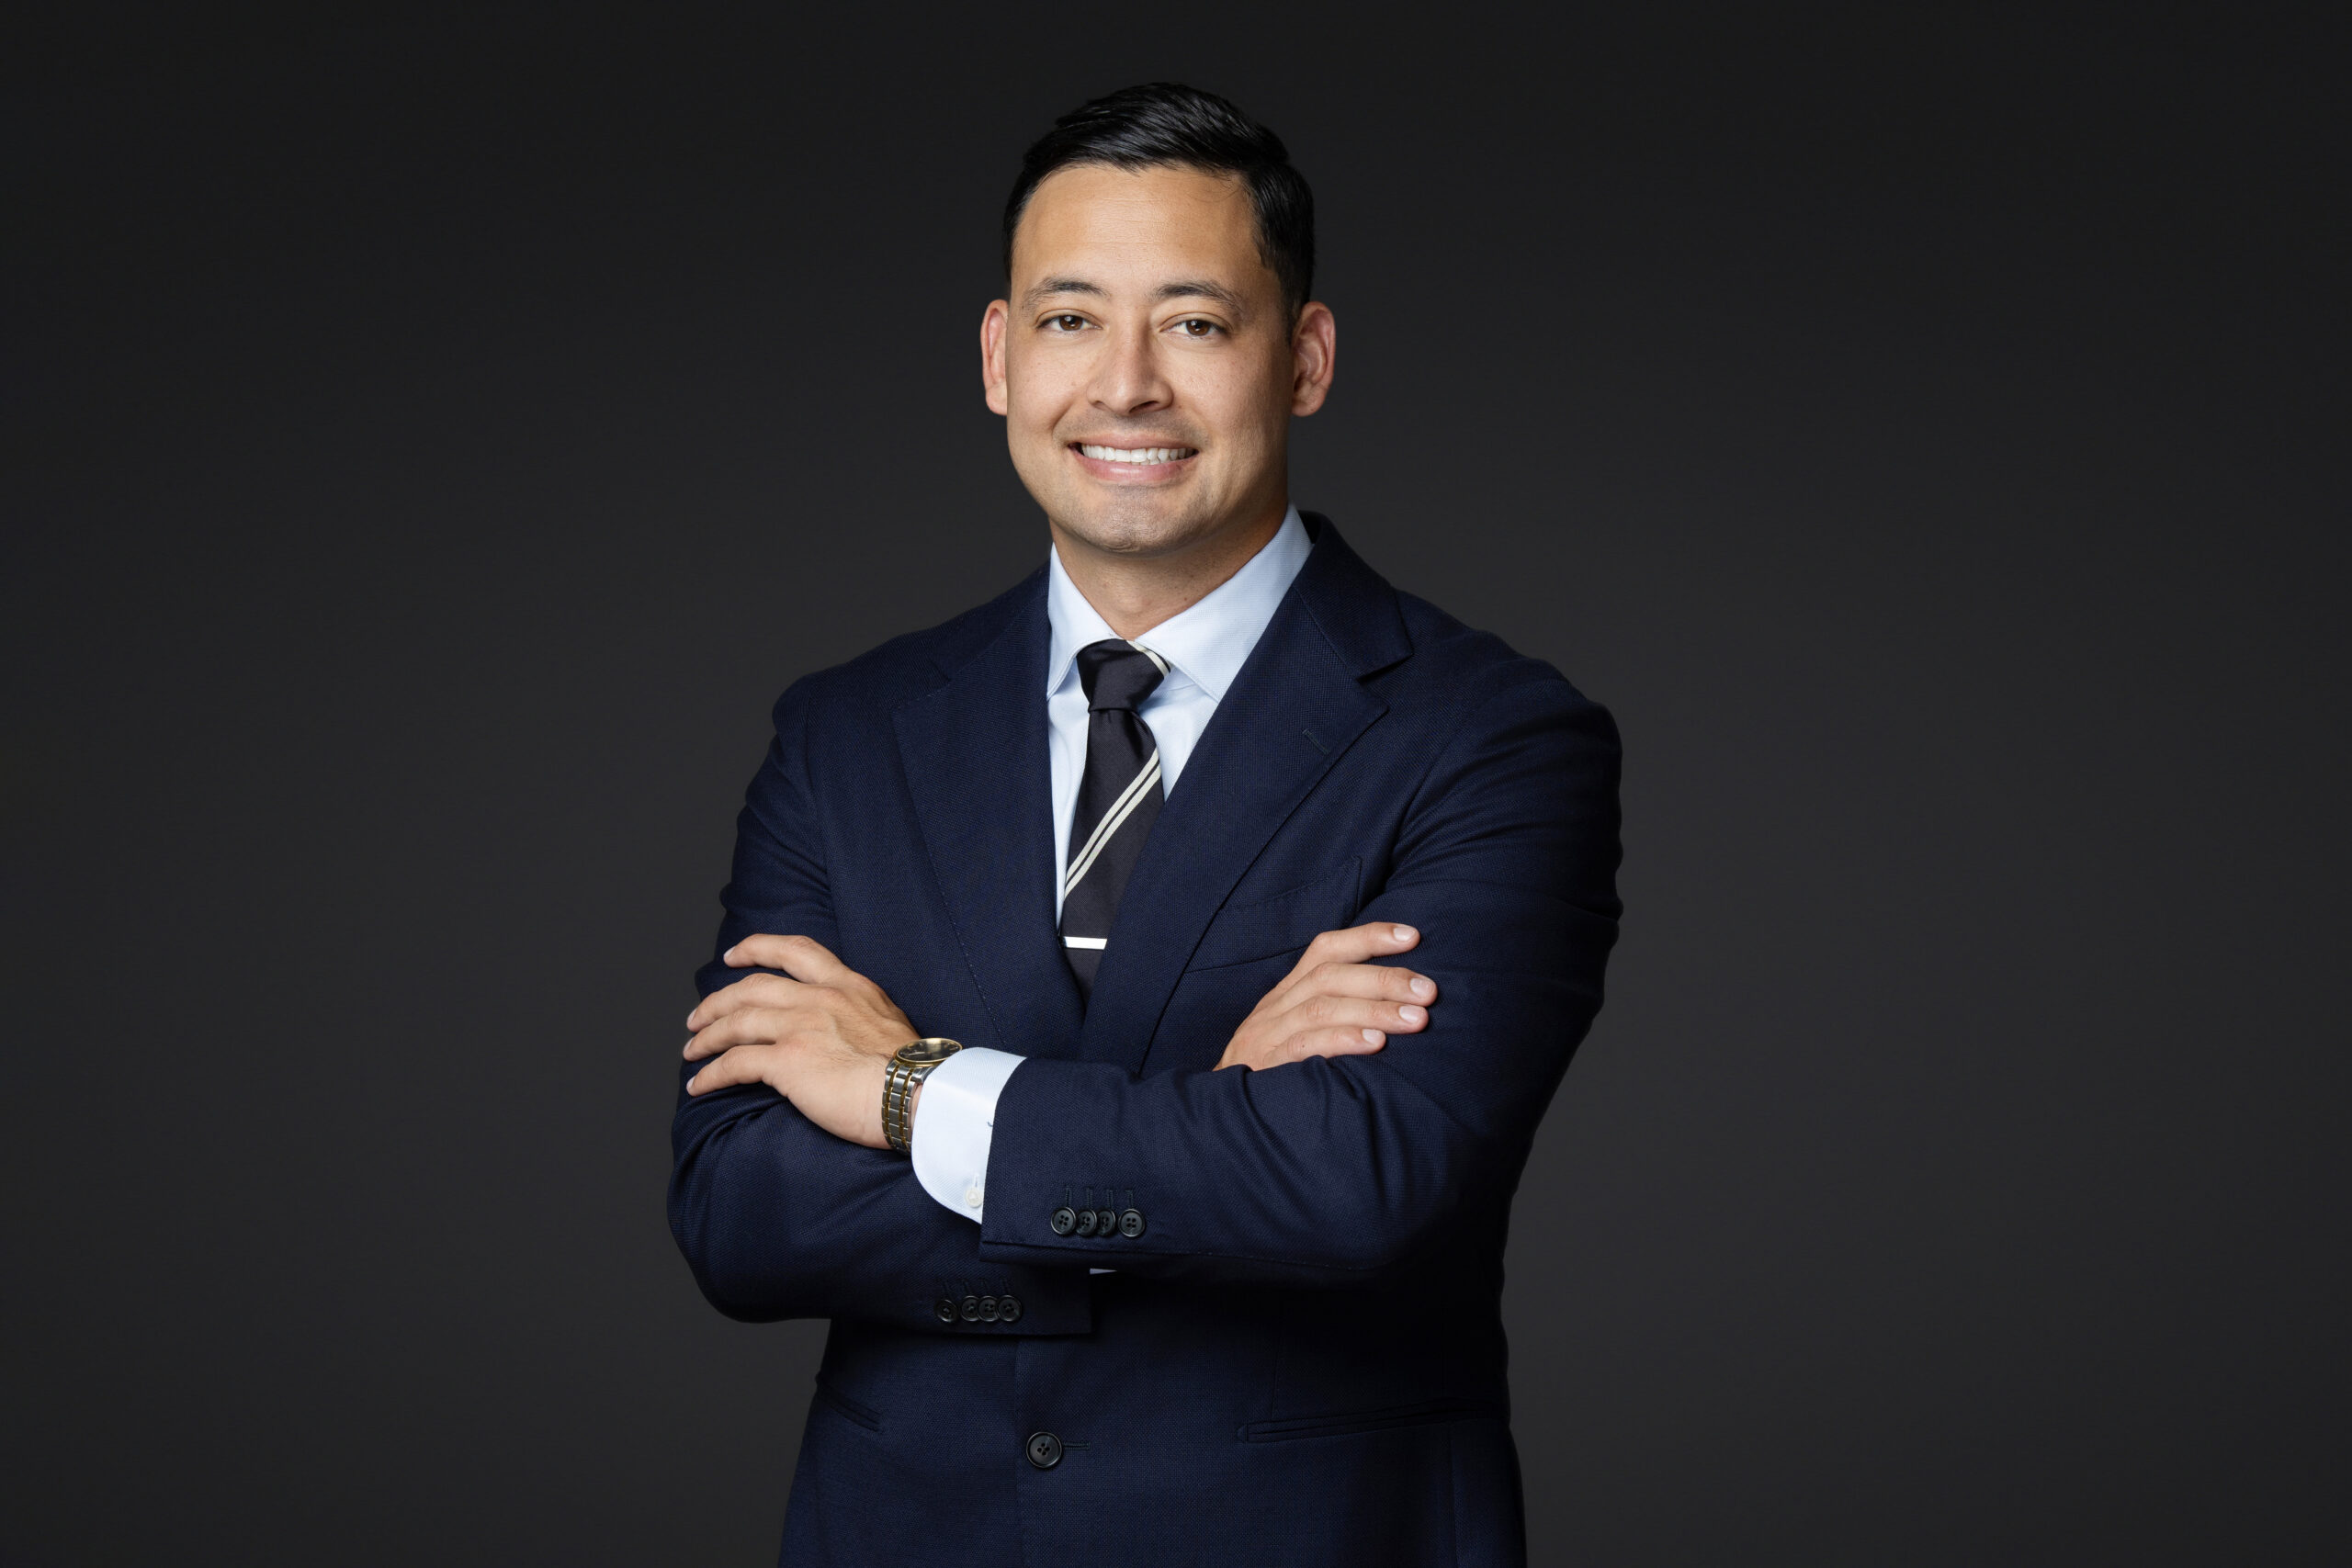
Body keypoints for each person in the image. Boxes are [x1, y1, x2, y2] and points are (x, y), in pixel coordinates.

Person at [669, 82, 1621, 1566]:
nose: (1124, 386)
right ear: (997, 358)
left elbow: (1364, 1182)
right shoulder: (846, 734)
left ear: (1300, 359)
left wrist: (910, 1091)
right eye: (1067, 320)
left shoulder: (1489, 737)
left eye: (1192, 321)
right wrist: (1214, 1128)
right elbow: (738, 1210)